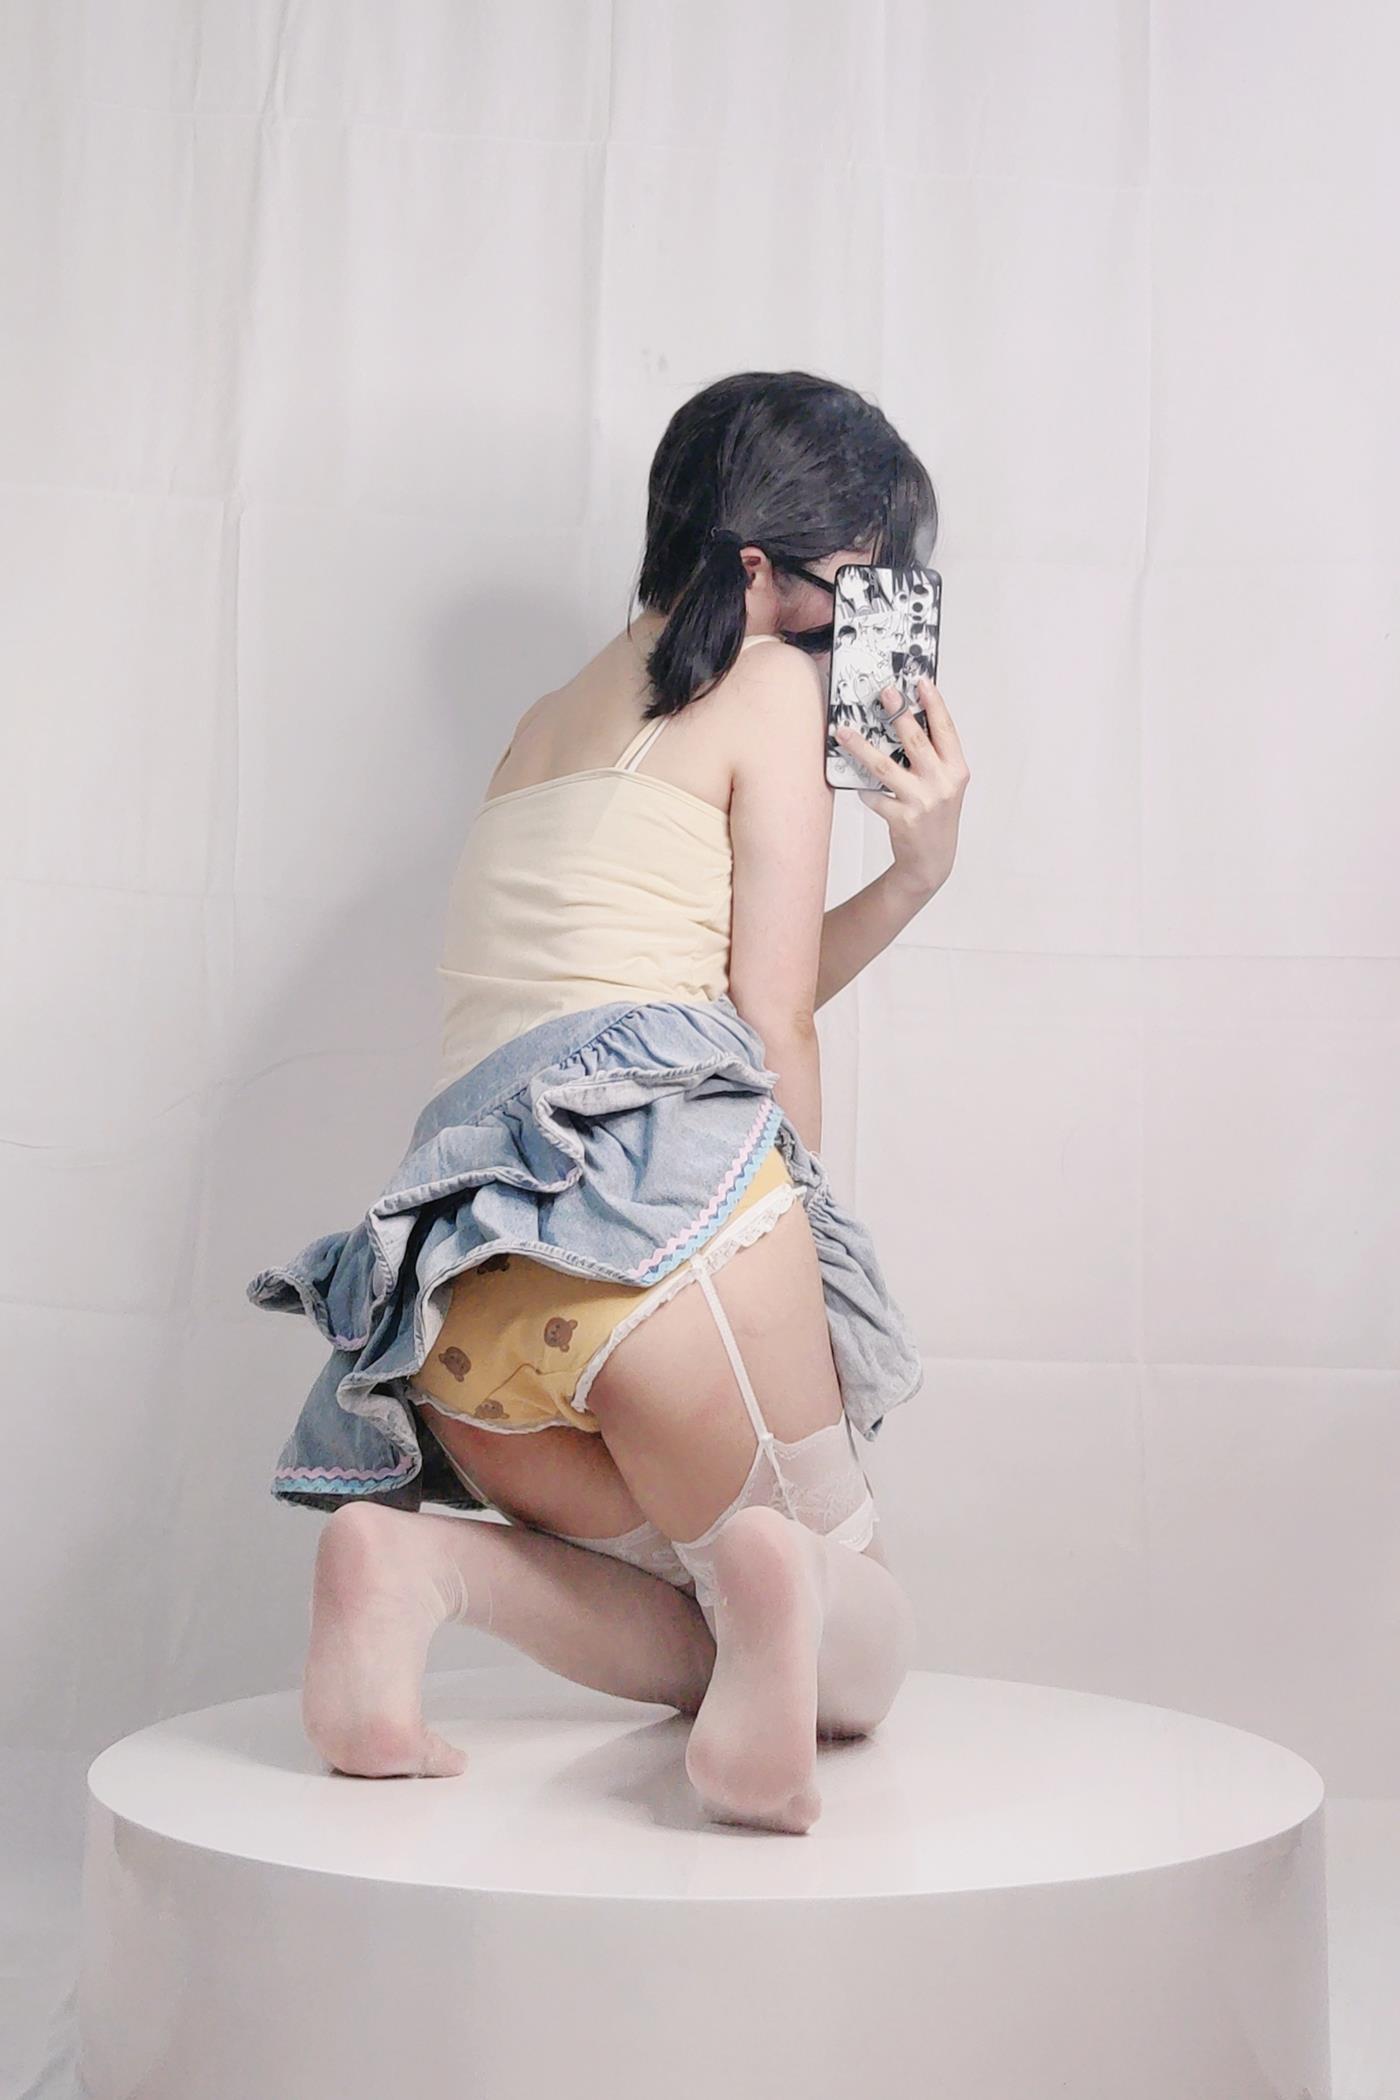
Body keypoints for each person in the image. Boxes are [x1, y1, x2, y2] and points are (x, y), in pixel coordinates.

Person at [246, 369, 971, 1834]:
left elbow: (674, 999)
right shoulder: (769, 685)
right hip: (670, 1226)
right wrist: (791, 1237)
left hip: (464, 1277)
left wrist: (906, 883)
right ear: (758, 567)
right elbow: (766, 1018)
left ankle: (414, 1566)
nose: (862, 623)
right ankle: (781, 1570)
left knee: (720, 1630)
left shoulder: (537, 725)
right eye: (860, 580)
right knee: (858, 1644)